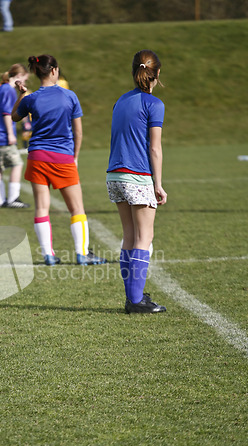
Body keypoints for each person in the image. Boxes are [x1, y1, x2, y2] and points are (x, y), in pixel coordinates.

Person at [12, 54, 107, 266]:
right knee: (77, 208)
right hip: (62, 157)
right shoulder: (69, 96)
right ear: (54, 70)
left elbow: (14, 117)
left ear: (36, 72)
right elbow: (78, 132)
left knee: (41, 207)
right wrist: (75, 157)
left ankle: (48, 254)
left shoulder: (31, 98)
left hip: (37, 157)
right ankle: (82, 253)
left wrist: (22, 94)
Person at [106, 49, 167, 314]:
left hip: (114, 175)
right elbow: (154, 149)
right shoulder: (154, 104)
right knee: (145, 237)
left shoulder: (120, 100)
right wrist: (158, 184)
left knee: (129, 235)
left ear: (134, 72)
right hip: (138, 175)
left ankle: (133, 296)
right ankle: (135, 300)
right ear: (158, 74)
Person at [0, 64, 30, 208]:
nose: (25, 83)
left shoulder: (0, 89)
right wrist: (11, 134)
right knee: (17, 164)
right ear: (18, 77)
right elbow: (6, 113)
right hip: (2, 135)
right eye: (25, 79)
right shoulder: (8, 90)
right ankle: (12, 198)